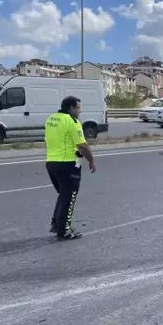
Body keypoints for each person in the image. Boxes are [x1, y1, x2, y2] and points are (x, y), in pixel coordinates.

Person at [45, 96, 96, 240]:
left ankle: (57, 224)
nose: (80, 111)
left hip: (51, 162)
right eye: (78, 108)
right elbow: (82, 146)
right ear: (71, 108)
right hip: (68, 164)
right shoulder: (72, 121)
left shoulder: (51, 119)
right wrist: (91, 160)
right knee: (69, 197)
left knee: (63, 195)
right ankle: (64, 230)